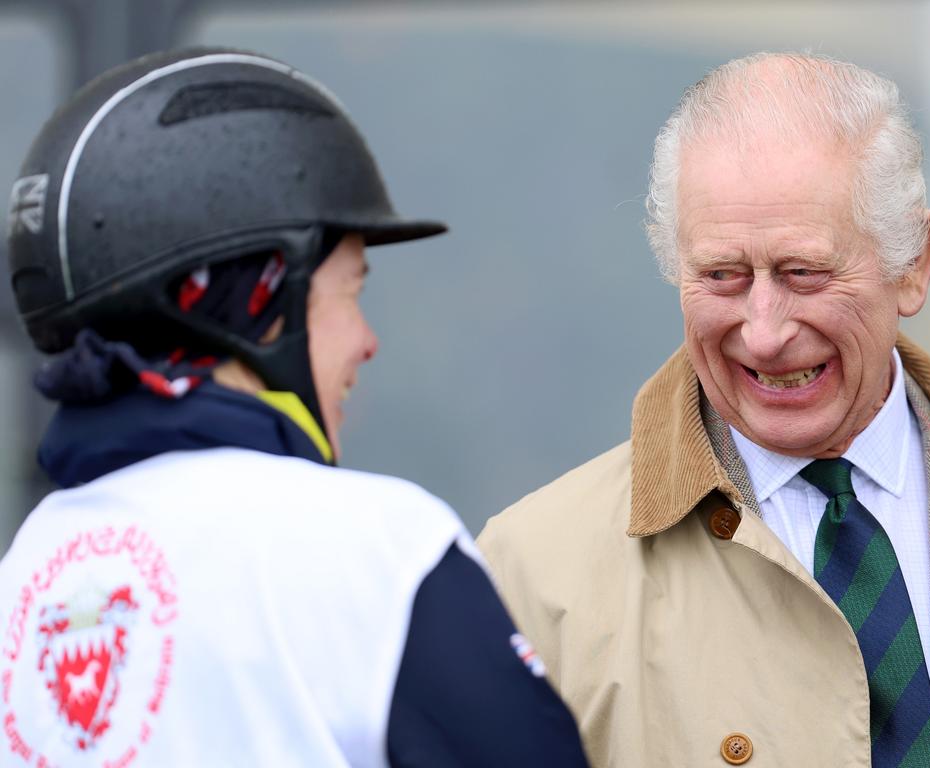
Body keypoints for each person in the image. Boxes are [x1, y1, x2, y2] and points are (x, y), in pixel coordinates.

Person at [0, 47, 589, 767]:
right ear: (261, 299)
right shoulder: (375, 549)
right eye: (351, 290)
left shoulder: (27, 574)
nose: (367, 341)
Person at [478, 52, 930, 767]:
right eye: (722, 277)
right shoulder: (530, 576)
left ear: (913, 265)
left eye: (804, 273)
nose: (764, 330)